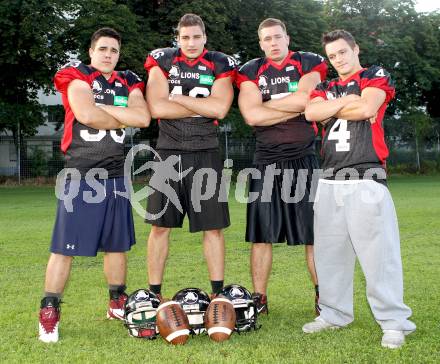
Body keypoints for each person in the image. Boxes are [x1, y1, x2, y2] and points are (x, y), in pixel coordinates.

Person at [302, 29, 416, 349]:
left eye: (343, 52)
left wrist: (336, 105)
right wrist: (348, 100)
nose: (338, 60)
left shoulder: (375, 74)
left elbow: (367, 109)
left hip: (366, 175)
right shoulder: (325, 85)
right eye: (332, 56)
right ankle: (334, 314)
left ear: (355, 49)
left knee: (379, 256)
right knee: (330, 257)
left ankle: (394, 322)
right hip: (329, 178)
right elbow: (311, 112)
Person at [38, 27, 150, 343]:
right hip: (81, 175)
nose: (108, 55)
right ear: (91, 52)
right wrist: (122, 115)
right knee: (64, 248)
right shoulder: (77, 76)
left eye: (113, 50)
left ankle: (117, 302)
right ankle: (49, 311)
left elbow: (143, 118)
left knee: (117, 245)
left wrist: (109, 113)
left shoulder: (128, 80)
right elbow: (86, 114)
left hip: (115, 176)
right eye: (103, 49)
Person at [236, 18, 327, 315]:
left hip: (305, 158)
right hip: (266, 161)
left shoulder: (307, 62)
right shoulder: (251, 70)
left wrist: (265, 106)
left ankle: (322, 296)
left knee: (313, 234)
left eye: (277, 37)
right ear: (260, 43)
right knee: (261, 234)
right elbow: (250, 116)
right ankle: (259, 299)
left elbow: (307, 98)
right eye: (267, 39)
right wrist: (292, 106)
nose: (273, 43)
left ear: (287, 37)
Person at [144, 14, 235, 299]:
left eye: (196, 37)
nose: (191, 43)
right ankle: (154, 293)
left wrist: (178, 98)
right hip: (168, 153)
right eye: (185, 37)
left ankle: (218, 294)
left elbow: (220, 109)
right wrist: (202, 106)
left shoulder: (220, 62)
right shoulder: (163, 60)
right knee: (160, 227)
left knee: (213, 228)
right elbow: (156, 108)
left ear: (205, 37)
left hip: (205, 153)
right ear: (177, 38)